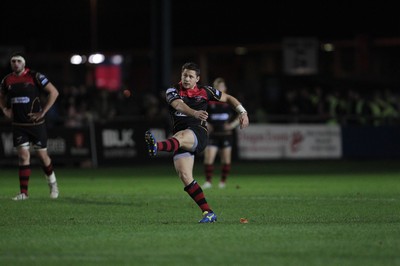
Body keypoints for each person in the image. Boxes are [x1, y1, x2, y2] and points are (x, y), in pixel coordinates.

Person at [144, 62, 249, 223]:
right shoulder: (173, 90)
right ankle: (208, 212)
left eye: (190, 76)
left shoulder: (206, 91)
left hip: (198, 134)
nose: (186, 79)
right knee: (185, 176)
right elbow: (178, 104)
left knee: (180, 136)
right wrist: (194, 112)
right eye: (184, 75)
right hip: (181, 138)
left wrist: (242, 111)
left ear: (197, 79)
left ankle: (157, 146)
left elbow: (227, 98)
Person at [0, 52, 60, 200]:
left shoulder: (35, 76)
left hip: (36, 124)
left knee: (42, 156)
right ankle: (24, 193)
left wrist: (43, 112)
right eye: (13, 61)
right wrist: (4, 109)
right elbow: (1, 96)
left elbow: (54, 92)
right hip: (19, 125)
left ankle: (52, 183)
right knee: (23, 156)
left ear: (24, 63)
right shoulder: (7, 80)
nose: (15, 63)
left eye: (18, 61)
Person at [202, 78, 240, 189]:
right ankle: (208, 182)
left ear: (225, 88)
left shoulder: (229, 101)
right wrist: (206, 123)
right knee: (208, 158)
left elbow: (240, 114)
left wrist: (232, 125)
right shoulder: (209, 101)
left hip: (226, 134)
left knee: (226, 160)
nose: (219, 89)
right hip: (213, 135)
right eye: (217, 87)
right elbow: (201, 114)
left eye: (221, 87)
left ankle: (222, 182)